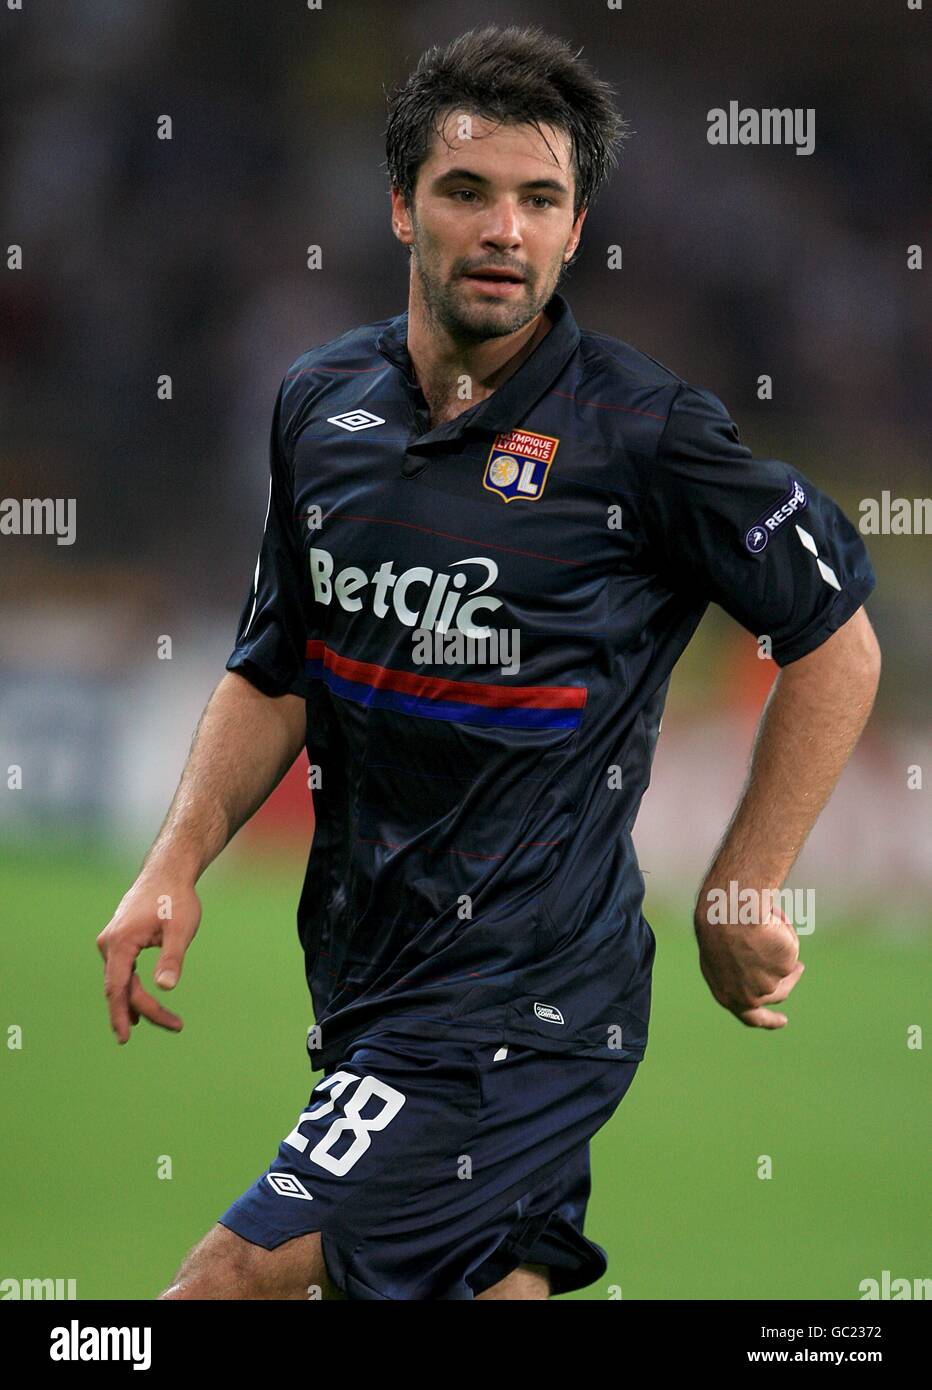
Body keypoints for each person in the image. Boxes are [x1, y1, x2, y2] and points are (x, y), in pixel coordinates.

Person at [96, 25, 880, 1300]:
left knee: (222, 1284)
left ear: (576, 231)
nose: (503, 227)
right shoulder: (319, 406)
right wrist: (173, 862)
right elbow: (276, 666)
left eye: (539, 199)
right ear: (402, 205)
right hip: (367, 979)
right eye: (467, 191)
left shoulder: (646, 436)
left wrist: (744, 883)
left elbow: (833, 636)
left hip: (519, 1007)